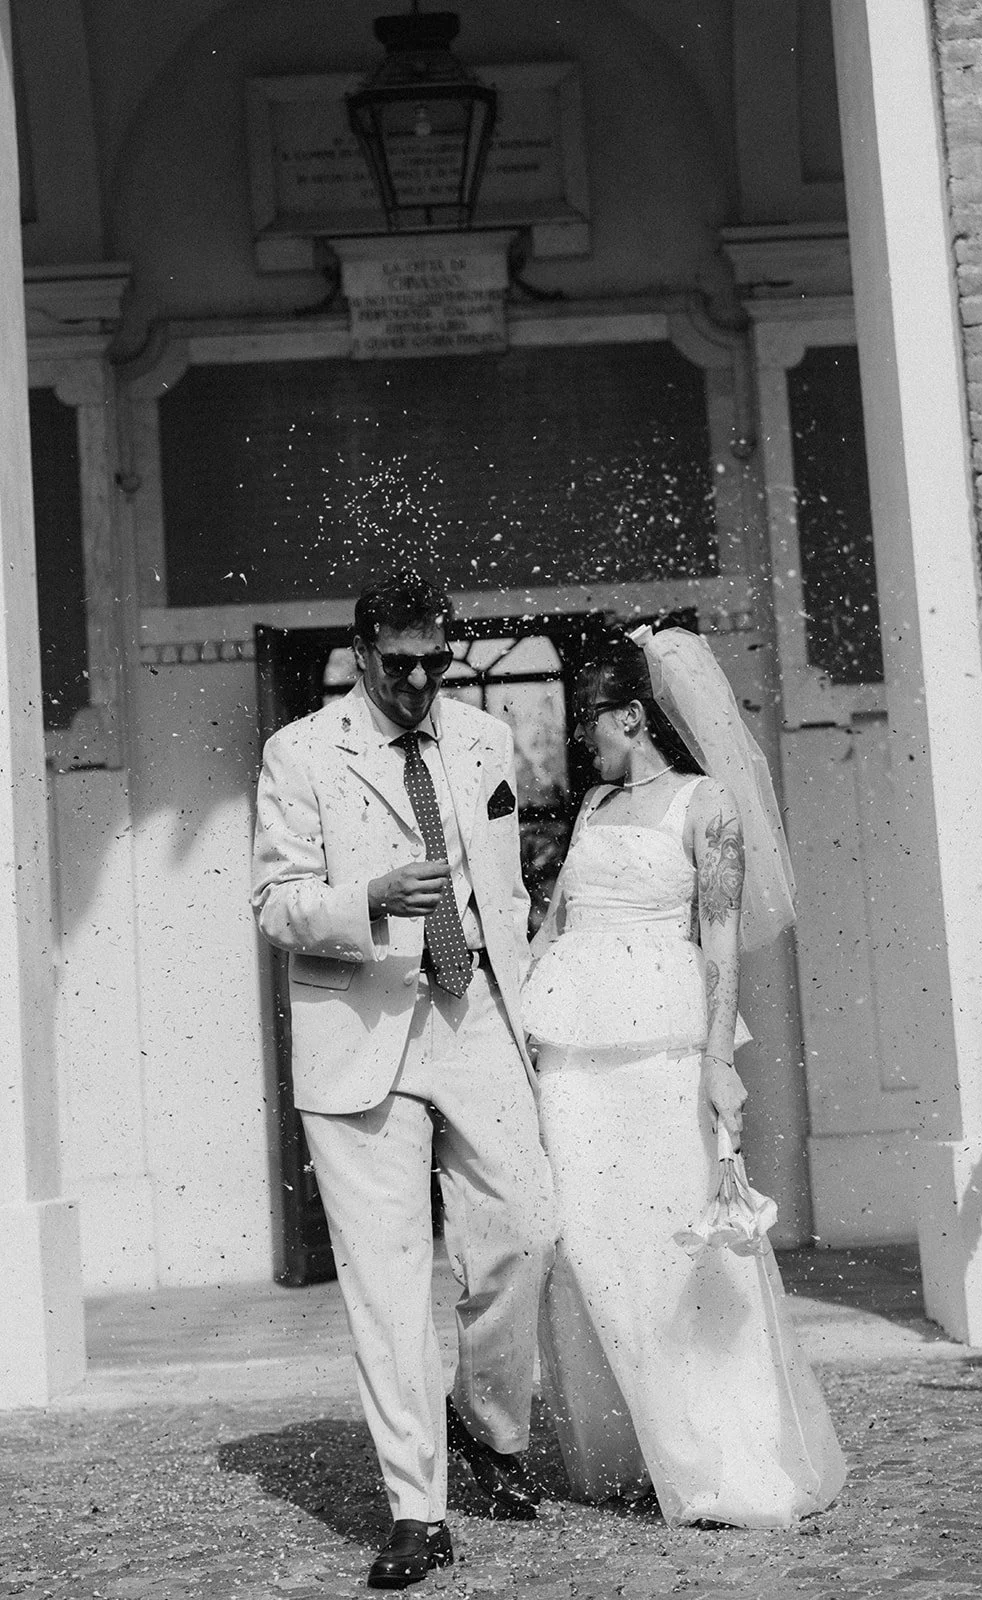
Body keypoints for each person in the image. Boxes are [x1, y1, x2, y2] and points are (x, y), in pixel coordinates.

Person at [252, 571, 554, 1590]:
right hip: (361, 1031)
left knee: (526, 1226)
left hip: (473, 1016)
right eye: (399, 664)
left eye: (436, 661)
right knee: (386, 1286)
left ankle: (487, 1424)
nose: (420, 680)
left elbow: (501, 887)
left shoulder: (482, 739)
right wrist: (367, 899)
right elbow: (274, 903)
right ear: (361, 652)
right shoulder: (299, 752)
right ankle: (416, 1510)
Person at [522, 624, 846, 1529]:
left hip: (661, 1052)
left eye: (590, 719)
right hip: (571, 1057)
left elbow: (717, 942)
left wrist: (716, 1065)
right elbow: (554, 924)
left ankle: (723, 1461)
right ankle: (638, 1450)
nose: (581, 736)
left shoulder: (707, 808)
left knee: (679, 1247)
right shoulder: (587, 809)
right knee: (589, 1243)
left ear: (630, 716)